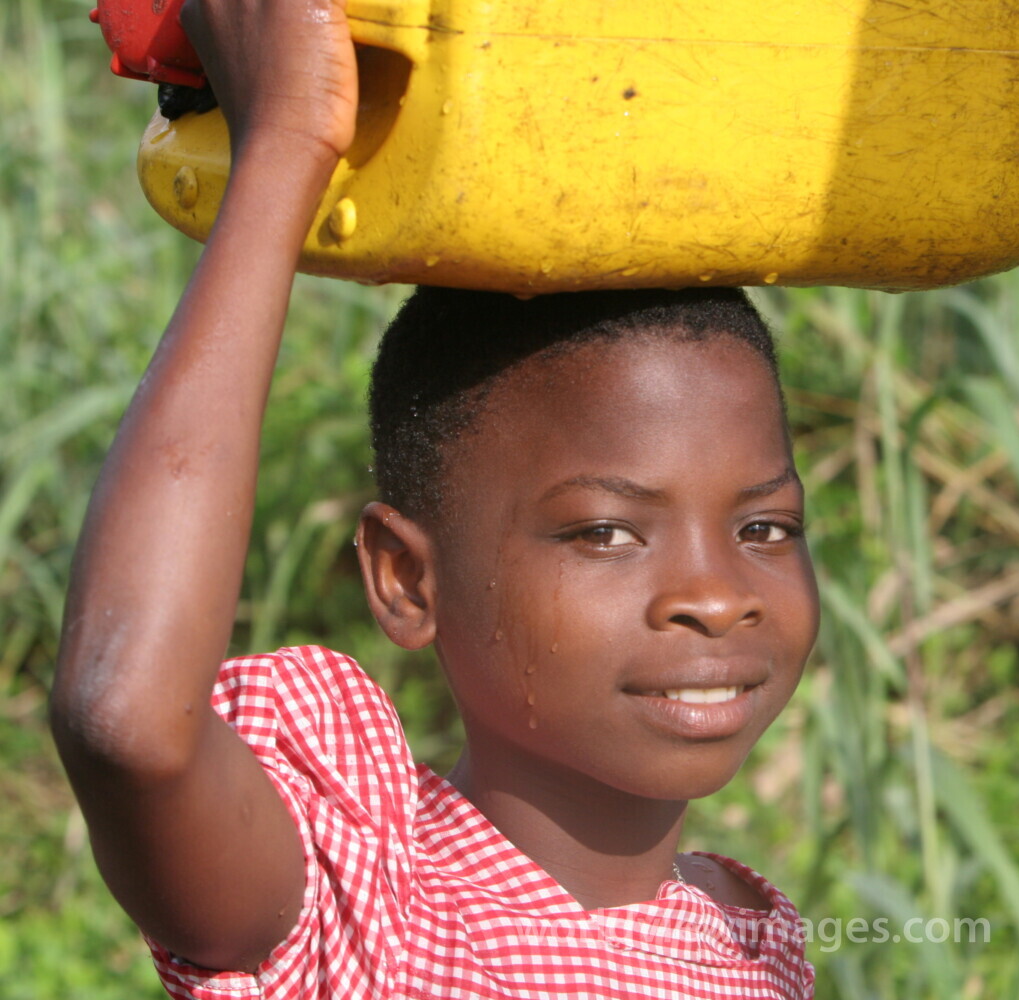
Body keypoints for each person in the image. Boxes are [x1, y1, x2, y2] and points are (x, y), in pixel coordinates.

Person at [48, 0, 820, 996]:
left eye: (764, 526)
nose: (716, 596)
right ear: (409, 577)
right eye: (606, 531)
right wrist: (285, 141)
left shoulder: (746, 935)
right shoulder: (364, 909)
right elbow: (128, 720)